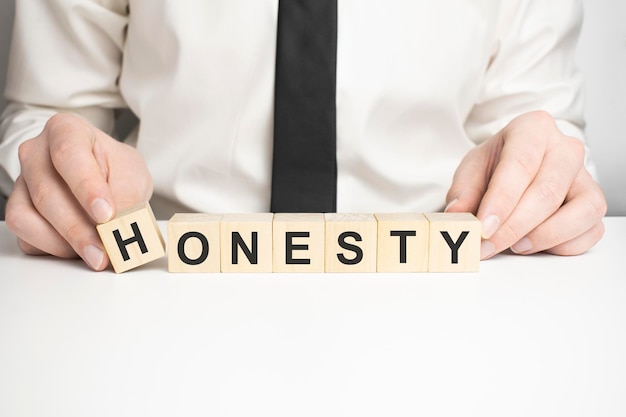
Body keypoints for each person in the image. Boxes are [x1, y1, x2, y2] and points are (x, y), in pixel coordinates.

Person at [0, 0, 607, 271]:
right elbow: (44, 114)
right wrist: (66, 171)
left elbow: (540, 130)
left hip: (436, 281)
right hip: (161, 278)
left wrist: (544, 176)